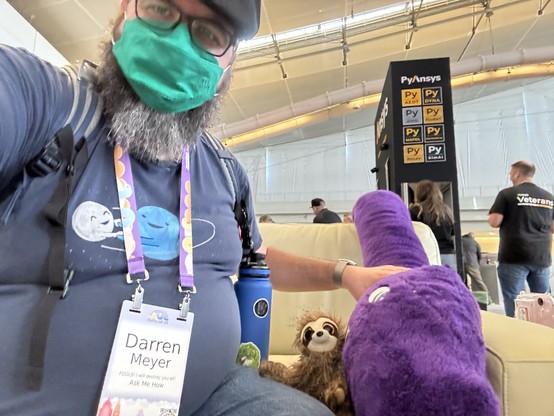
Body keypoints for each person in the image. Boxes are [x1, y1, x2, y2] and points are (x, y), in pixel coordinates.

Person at [0, 1, 405, 414]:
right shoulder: (52, 105)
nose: (178, 43)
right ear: (125, 10)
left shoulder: (225, 171)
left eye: (210, 34)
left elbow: (258, 262)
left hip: (212, 395)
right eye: (161, 8)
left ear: (228, 66)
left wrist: (346, 273)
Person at [488, 160, 554, 317]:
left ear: (517, 173)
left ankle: (518, 333)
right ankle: (546, 332)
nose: (510, 175)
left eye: (511, 172)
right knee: (543, 300)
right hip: (541, 257)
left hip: (514, 256)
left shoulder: (507, 194)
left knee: (514, 299)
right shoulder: (548, 197)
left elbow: (494, 221)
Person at [409, 180, 456, 269]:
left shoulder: (417, 210)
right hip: (448, 255)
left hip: (428, 254)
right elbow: (453, 235)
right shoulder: (447, 211)